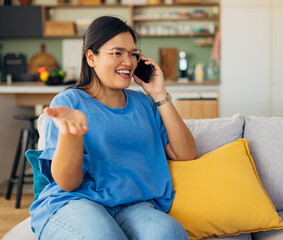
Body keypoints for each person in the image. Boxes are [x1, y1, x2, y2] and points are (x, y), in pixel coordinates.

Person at [29, 16, 197, 240]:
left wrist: (159, 93)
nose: (128, 62)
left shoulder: (145, 104)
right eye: (117, 53)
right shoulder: (68, 102)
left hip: (134, 206)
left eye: (132, 54)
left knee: (170, 233)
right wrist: (72, 135)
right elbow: (68, 183)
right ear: (91, 57)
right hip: (77, 201)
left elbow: (186, 154)